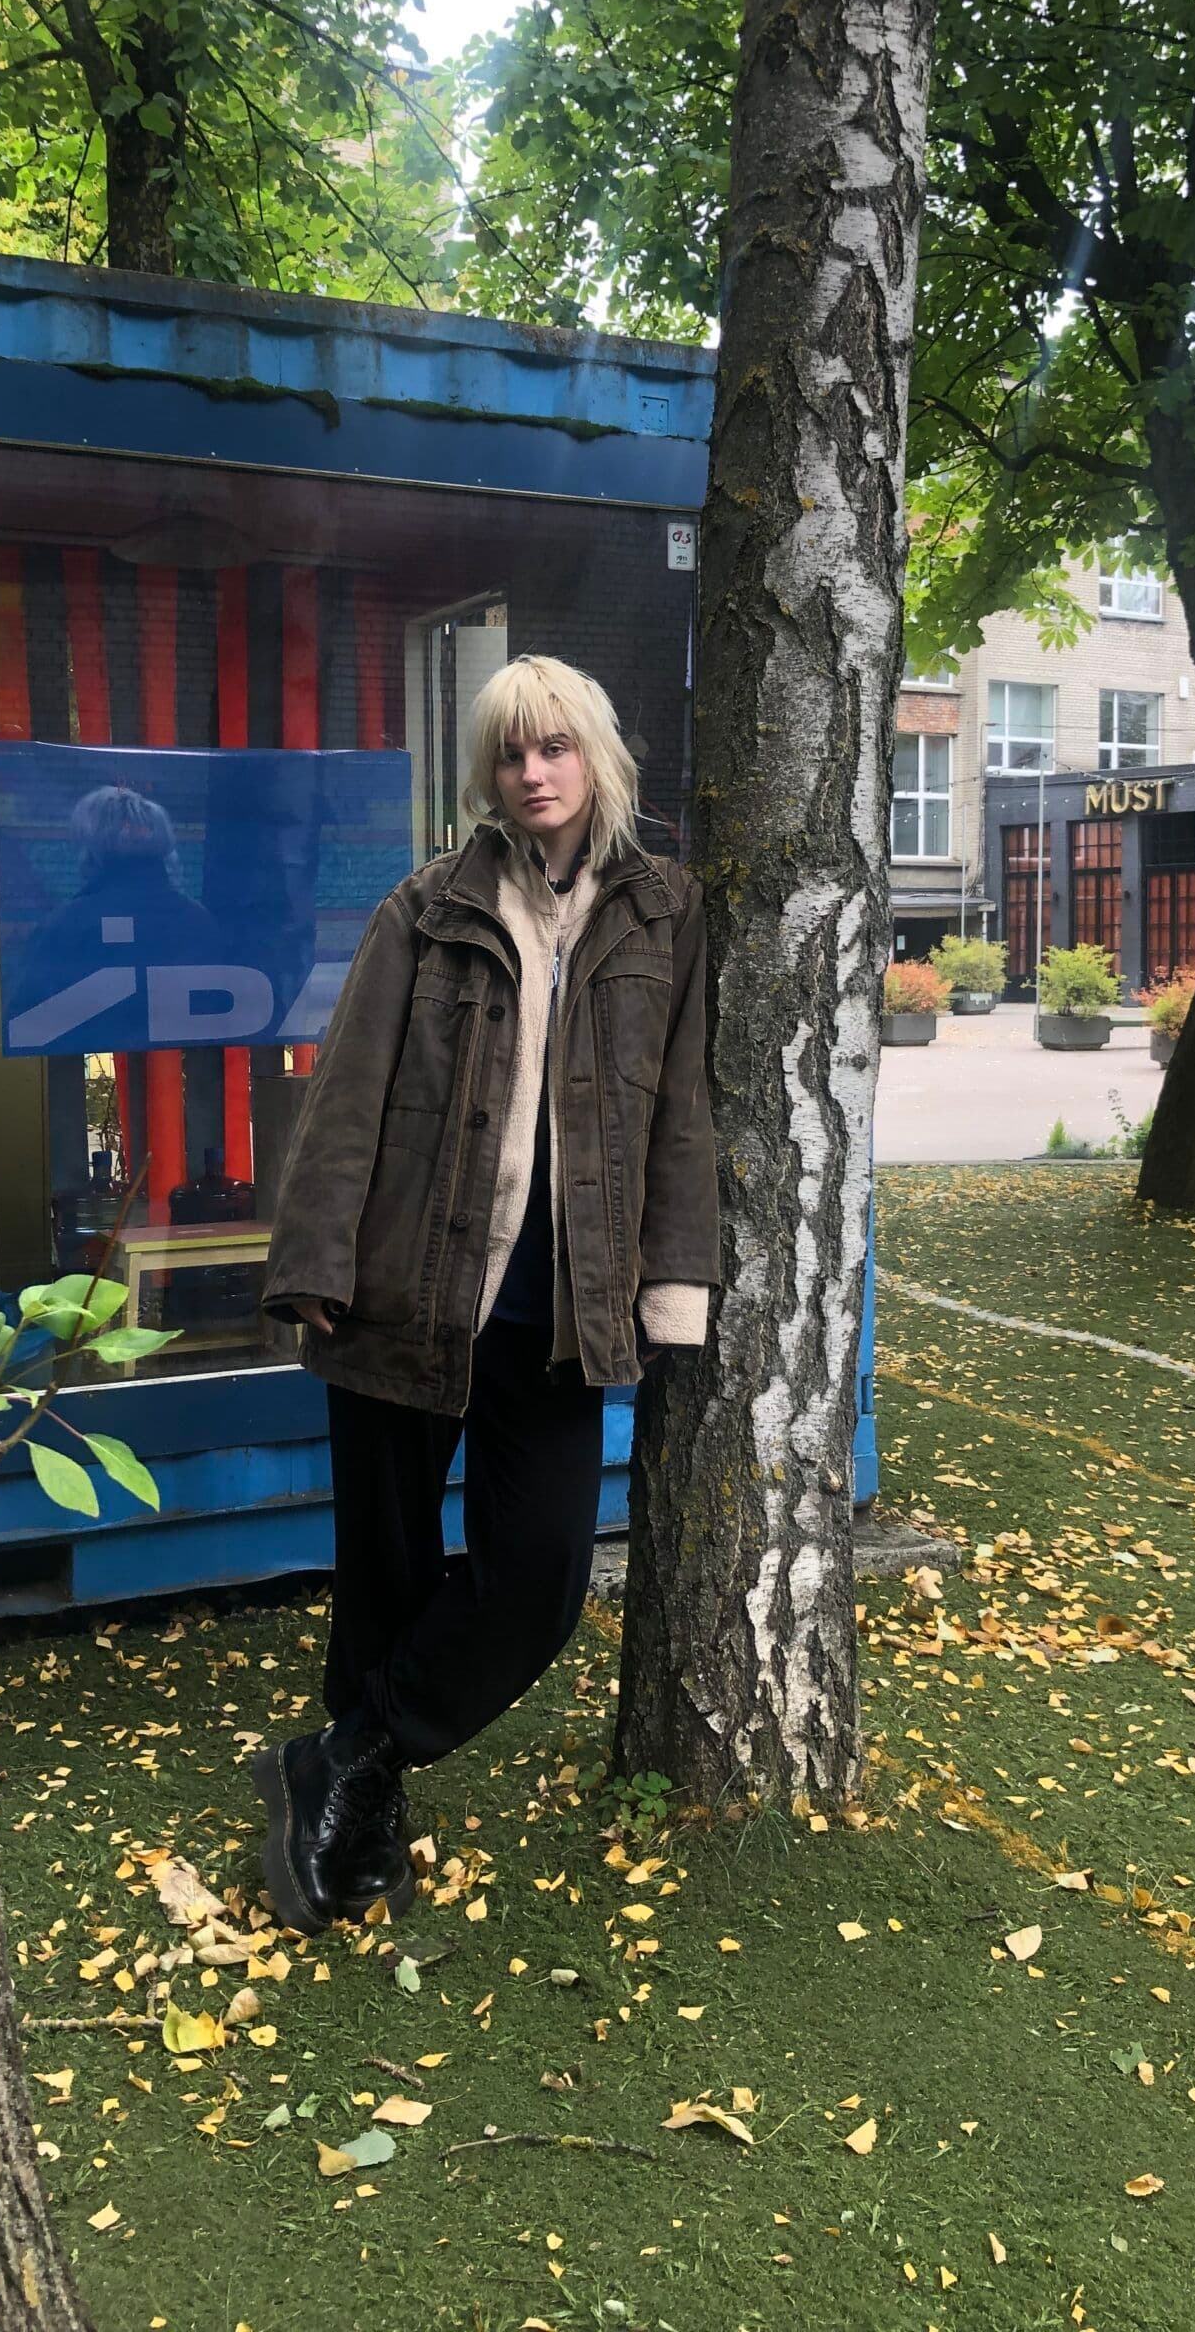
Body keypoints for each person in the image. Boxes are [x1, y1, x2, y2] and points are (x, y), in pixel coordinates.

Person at [253, 656, 720, 1934]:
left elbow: (680, 1118)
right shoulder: (427, 906)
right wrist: (316, 1261)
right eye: (511, 752)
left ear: (596, 756)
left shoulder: (664, 914)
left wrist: (673, 1289)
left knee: (540, 1579)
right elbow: (348, 1089)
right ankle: (360, 1813)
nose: (531, 772)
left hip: (563, 1312)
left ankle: (342, 1756)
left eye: (554, 747)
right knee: (386, 1570)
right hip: (406, 1288)